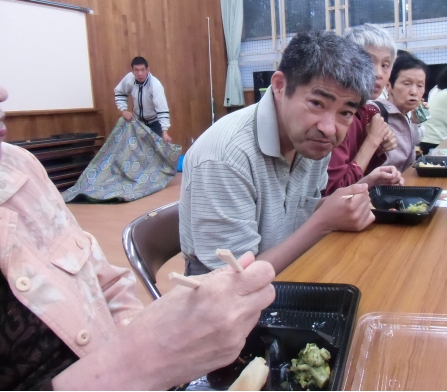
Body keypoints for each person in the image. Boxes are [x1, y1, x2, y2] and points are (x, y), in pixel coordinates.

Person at [0, 83, 276, 390]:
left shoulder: (19, 166)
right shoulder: (223, 152)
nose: (1, 94)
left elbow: (108, 284)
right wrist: (140, 361)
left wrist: (142, 346)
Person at [179, 31, 381, 276]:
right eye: (317, 103)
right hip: (225, 290)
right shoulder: (225, 156)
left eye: (345, 113)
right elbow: (236, 279)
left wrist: (345, 200)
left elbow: (297, 212)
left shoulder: (313, 140)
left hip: (288, 269)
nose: (329, 128)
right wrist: (324, 222)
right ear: (279, 86)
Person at [324, 23, 404, 196]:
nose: (378, 74)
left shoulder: (368, 112)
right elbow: (334, 192)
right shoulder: (337, 115)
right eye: (369, 61)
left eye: (385, 65)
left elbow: (360, 177)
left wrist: (378, 150)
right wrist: (372, 141)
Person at [374, 51, 427, 172]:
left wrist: (415, 122)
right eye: (407, 84)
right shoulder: (375, 112)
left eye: (420, 85)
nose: (414, 92)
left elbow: (413, 143)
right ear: (389, 86)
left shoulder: (407, 113)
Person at [114, 56, 173, 143]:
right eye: (136, 70)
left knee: (156, 149)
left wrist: (164, 131)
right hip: (138, 122)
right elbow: (120, 93)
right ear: (132, 71)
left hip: (154, 123)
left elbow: (162, 109)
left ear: (148, 70)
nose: (140, 73)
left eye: (142, 70)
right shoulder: (129, 79)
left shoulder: (155, 85)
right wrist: (124, 110)